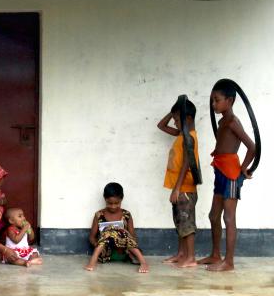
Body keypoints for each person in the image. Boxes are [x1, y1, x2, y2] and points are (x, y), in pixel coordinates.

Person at [199, 79, 261, 272]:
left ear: (230, 100)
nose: (214, 104)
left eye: (217, 100)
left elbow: (252, 147)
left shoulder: (233, 122)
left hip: (231, 175)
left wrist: (244, 168)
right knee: (213, 215)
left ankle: (229, 262)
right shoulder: (222, 121)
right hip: (220, 172)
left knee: (229, 218)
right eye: (213, 101)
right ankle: (216, 254)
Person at [158, 95, 202, 269]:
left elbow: (186, 163)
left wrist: (176, 189)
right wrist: (174, 111)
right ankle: (181, 253)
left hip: (184, 188)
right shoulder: (182, 134)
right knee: (179, 222)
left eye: (177, 119)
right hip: (180, 187)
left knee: (187, 223)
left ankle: (190, 257)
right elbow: (161, 126)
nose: (175, 122)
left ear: (188, 119)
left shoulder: (189, 137)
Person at [86, 182, 148, 273]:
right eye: (110, 203)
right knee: (109, 231)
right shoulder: (99, 215)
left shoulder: (126, 215)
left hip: (123, 252)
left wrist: (127, 241)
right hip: (105, 253)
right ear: (105, 199)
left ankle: (143, 262)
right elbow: (91, 237)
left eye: (117, 203)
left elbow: (132, 235)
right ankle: (94, 258)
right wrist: (99, 245)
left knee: (122, 232)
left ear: (122, 199)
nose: (113, 206)